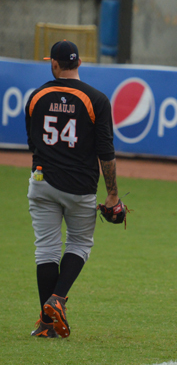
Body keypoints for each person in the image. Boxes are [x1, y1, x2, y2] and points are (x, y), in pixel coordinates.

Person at [25, 40, 121, 338]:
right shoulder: (97, 99)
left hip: (42, 182)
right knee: (79, 245)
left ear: (54, 63)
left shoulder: (37, 96)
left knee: (46, 250)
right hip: (80, 187)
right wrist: (113, 194)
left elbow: (33, 142)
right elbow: (105, 152)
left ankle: (47, 324)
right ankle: (58, 299)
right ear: (79, 63)